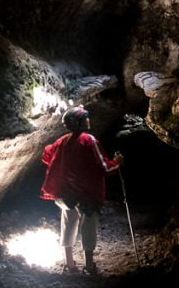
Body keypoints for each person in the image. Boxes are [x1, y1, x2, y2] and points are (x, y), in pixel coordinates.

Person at [40, 105, 123, 275]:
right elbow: (104, 168)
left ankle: (69, 265)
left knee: (68, 224)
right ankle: (89, 266)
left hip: (65, 194)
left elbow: (47, 156)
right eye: (85, 117)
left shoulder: (61, 141)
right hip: (86, 194)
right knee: (88, 226)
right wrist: (117, 163)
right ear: (80, 122)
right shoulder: (89, 140)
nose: (88, 119)